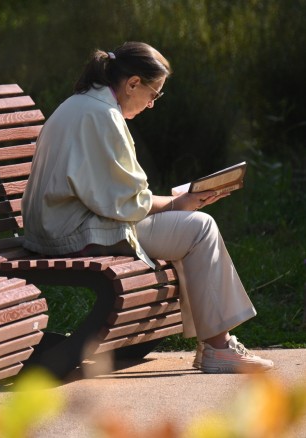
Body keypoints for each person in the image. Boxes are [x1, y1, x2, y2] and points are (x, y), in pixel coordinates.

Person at [22, 41, 273, 374]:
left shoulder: (84, 105)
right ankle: (218, 348)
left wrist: (177, 204)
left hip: (61, 225)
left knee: (189, 224)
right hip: (71, 233)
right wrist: (178, 203)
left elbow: (116, 196)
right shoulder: (102, 115)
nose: (152, 105)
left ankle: (217, 346)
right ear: (133, 84)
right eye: (154, 95)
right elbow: (129, 202)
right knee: (199, 228)